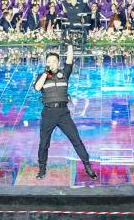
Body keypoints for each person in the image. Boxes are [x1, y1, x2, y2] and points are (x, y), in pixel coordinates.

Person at [33, 44, 97, 180]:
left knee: (76, 140)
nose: (51, 63)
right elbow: (37, 88)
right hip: (48, 113)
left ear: (58, 63)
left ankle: (87, 165)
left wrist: (69, 46)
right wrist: (45, 73)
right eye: (49, 61)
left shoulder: (64, 74)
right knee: (44, 143)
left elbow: (69, 60)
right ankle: (42, 169)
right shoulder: (41, 76)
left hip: (63, 113)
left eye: (54, 61)